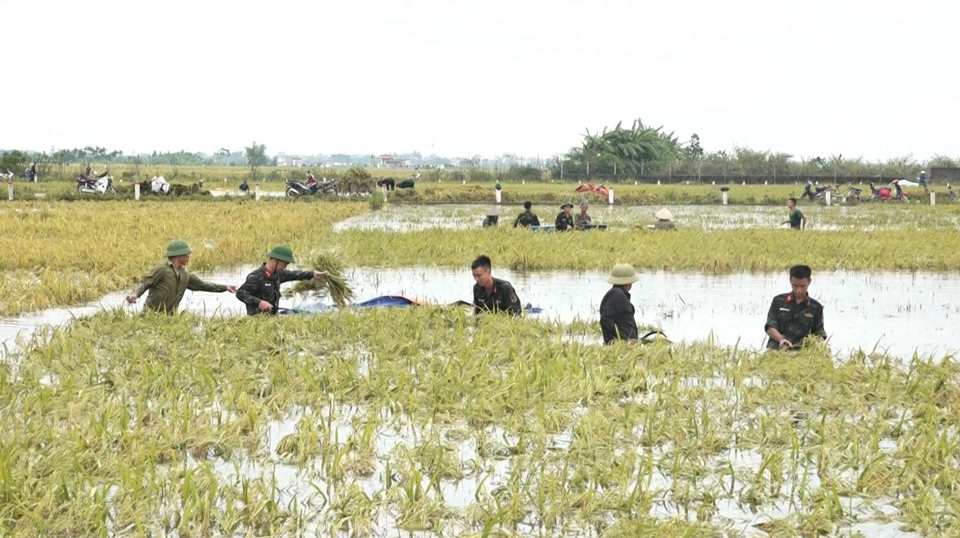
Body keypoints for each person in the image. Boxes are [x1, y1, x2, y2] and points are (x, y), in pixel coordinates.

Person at [126, 239, 237, 314]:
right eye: (187, 254)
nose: (189, 256)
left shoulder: (185, 275)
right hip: (150, 316)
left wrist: (225, 287)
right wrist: (135, 294)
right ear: (178, 255)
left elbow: (202, 285)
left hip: (170, 318)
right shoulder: (162, 269)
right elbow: (145, 283)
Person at [236, 245, 327, 315]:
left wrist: (312, 274)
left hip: (273, 319)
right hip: (257, 321)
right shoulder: (256, 277)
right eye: (285, 264)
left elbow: (294, 274)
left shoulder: (278, 275)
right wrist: (259, 303)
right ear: (276, 261)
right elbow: (240, 293)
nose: (285, 267)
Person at [764, 264, 827, 350]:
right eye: (795, 286)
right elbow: (770, 328)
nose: (799, 290)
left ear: (809, 282)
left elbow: (820, 334)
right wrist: (781, 340)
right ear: (790, 281)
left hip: (803, 352)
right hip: (777, 349)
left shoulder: (816, 307)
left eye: (802, 286)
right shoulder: (778, 302)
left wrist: (817, 345)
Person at [599, 263, 640, 344]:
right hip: (619, 346)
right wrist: (623, 340)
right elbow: (605, 320)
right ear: (629, 283)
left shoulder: (619, 295)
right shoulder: (616, 295)